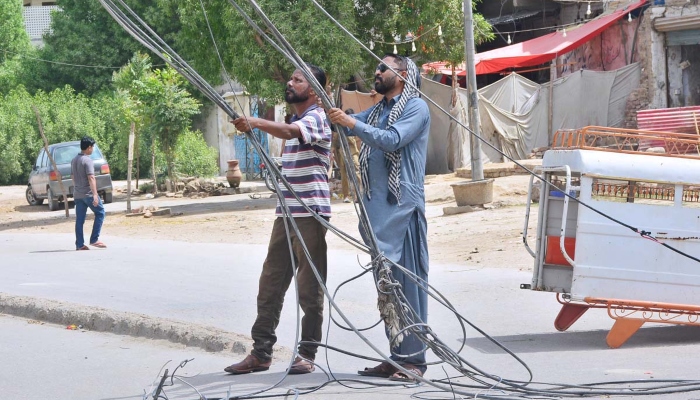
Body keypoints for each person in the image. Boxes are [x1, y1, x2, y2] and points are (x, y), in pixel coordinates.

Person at [327, 54, 430, 382]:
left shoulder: (416, 107)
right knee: (386, 285)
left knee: (408, 284)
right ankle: (397, 353)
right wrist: (337, 116)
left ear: (401, 75)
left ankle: (414, 361)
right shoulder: (381, 108)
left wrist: (351, 123)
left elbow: (391, 140)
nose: (376, 72)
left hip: (403, 209)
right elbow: (357, 121)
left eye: (382, 68)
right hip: (377, 212)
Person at [224, 64, 332, 375]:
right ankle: (261, 352)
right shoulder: (297, 118)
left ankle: (307, 352)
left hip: (309, 214)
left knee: (310, 287)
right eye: (291, 77)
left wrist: (255, 123)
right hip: (285, 213)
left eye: (298, 79)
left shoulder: (317, 118)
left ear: (313, 90)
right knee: (270, 283)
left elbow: (291, 132)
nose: (290, 82)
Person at [72, 136, 107, 251]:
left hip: (78, 194)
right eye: (92, 147)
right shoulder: (87, 160)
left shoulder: (74, 160)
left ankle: (79, 244)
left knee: (80, 220)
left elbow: (73, 177)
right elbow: (91, 177)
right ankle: (94, 239)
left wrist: (77, 188)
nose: (92, 149)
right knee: (101, 212)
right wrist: (95, 195)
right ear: (88, 148)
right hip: (88, 194)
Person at [331, 108, 361, 202]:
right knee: (344, 174)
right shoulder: (340, 126)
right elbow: (335, 140)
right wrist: (332, 150)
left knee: (357, 172)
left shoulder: (355, 125)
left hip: (353, 151)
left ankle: (358, 195)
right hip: (343, 151)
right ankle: (346, 196)